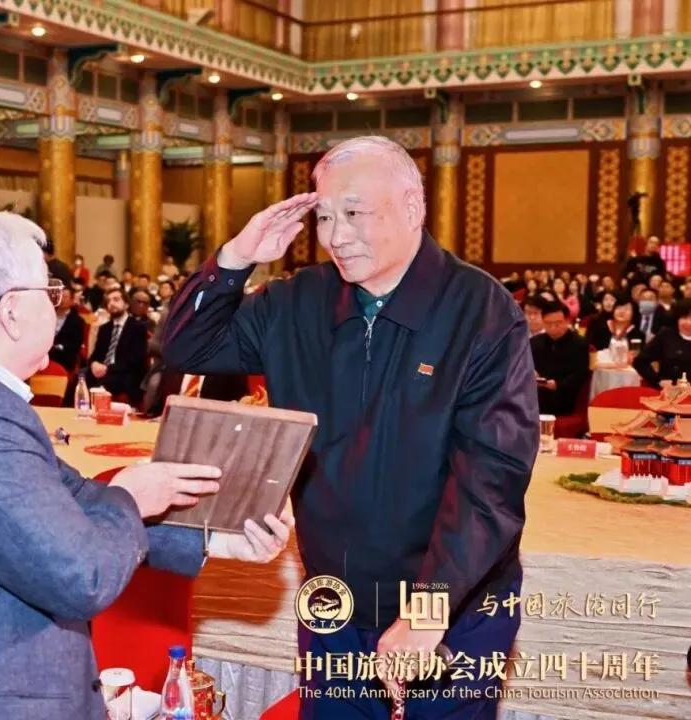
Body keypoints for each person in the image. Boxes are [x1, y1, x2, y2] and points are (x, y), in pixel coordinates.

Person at [0, 207, 294, 719]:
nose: (58, 306)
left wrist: (214, 538)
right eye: (50, 292)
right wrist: (132, 497)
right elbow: (81, 576)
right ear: (11, 311)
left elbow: (69, 498)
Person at [162, 135, 538, 719]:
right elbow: (186, 346)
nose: (336, 236)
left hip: (454, 604)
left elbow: (490, 481)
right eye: (325, 217)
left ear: (411, 207)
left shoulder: (479, 310)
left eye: (355, 213)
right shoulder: (297, 301)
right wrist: (236, 257)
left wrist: (426, 612)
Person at [86, 286, 148, 403]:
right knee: (82, 376)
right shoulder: (105, 328)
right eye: (109, 301)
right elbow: (96, 354)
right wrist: (94, 364)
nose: (111, 304)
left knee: (107, 383)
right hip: (103, 371)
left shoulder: (138, 328)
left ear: (126, 304)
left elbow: (136, 360)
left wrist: (108, 369)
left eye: (116, 300)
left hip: (124, 373)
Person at [531, 300, 590, 416]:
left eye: (558, 323)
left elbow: (580, 375)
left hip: (564, 398)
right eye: (548, 323)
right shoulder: (534, 343)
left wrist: (558, 384)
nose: (553, 327)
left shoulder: (579, 344)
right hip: (536, 396)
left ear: (567, 321)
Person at [633, 299, 691, 388]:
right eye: (684, 317)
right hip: (668, 391)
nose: (689, 323)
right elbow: (640, 362)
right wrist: (658, 381)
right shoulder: (666, 335)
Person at [49, 285, 85, 372]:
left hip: (63, 359)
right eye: (59, 296)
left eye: (64, 297)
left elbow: (74, 346)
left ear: (72, 300)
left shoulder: (77, 321)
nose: (61, 299)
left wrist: (56, 347)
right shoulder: (47, 315)